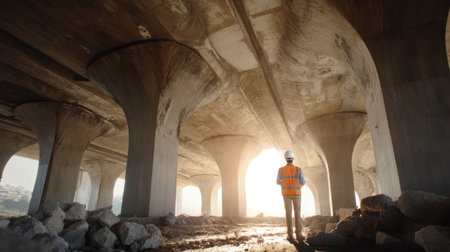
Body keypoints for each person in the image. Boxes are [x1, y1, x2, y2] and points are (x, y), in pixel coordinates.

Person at [276, 150, 306, 241]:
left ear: (285, 159)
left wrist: (283, 182)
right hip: (297, 194)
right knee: (297, 213)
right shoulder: (298, 169)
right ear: (293, 158)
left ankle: (290, 235)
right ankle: (299, 235)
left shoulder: (281, 170)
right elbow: (303, 182)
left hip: (286, 195)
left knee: (288, 213)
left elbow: (277, 182)